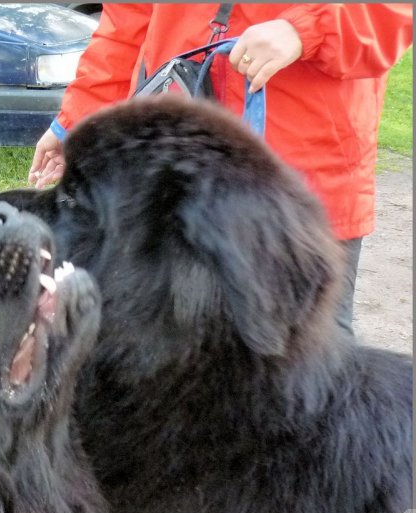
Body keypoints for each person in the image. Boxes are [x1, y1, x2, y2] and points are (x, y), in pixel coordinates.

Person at [27, 3, 413, 334]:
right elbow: (126, 24)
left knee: (310, 371)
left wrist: (305, 29)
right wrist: (75, 121)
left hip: (305, 175)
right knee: (168, 355)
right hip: (170, 179)